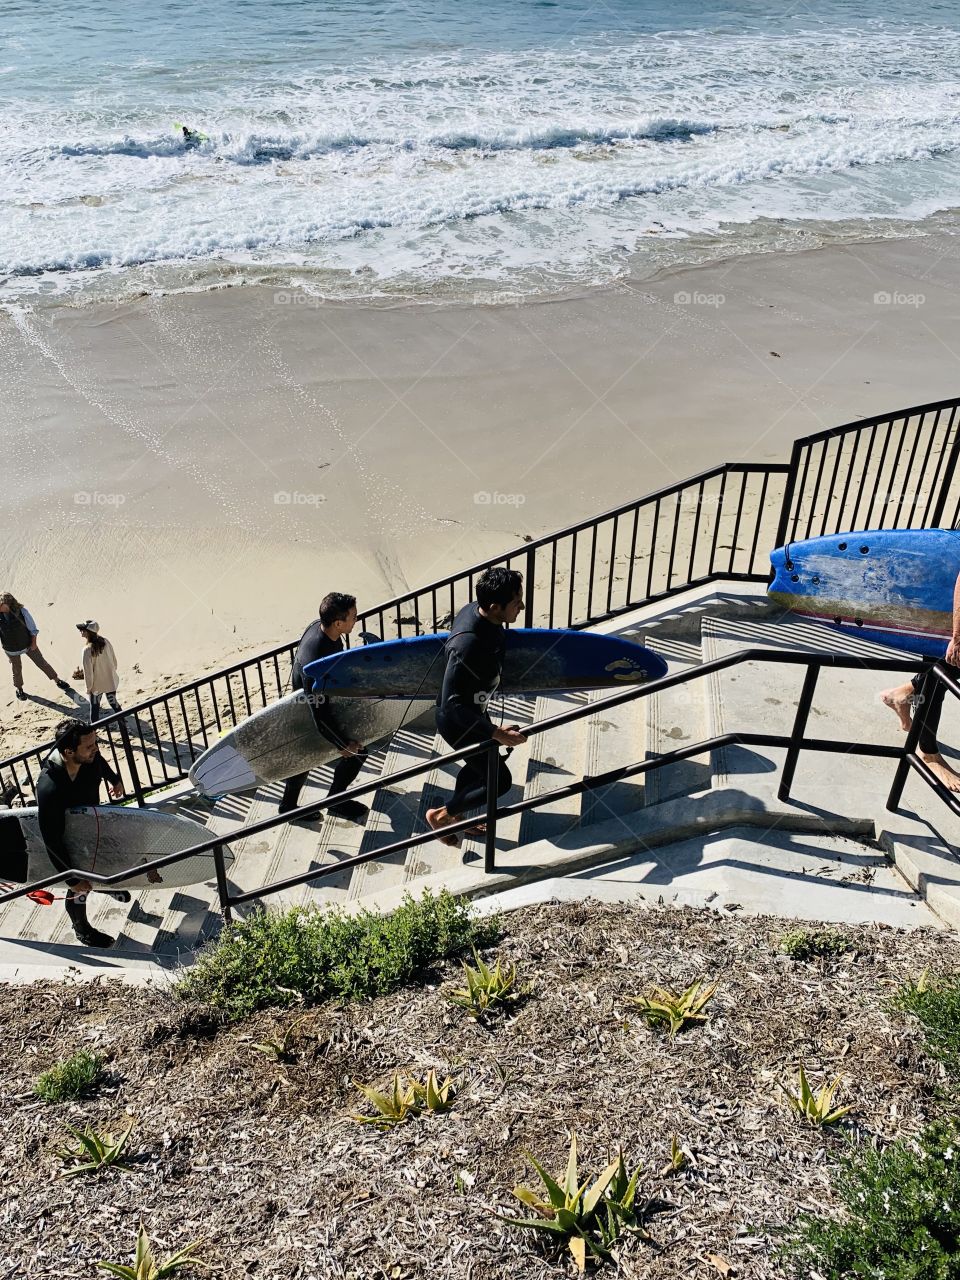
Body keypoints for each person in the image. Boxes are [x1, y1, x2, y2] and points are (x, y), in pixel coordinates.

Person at [426, 567, 528, 847]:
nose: (521, 606)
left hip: (475, 709)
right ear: (495, 607)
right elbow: (453, 704)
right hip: (457, 721)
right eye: (516, 601)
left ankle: (457, 814)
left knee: (480, 766)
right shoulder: (468, 644)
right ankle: (441, 816)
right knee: (499, 780)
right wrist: (495, 732)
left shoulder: (479, 611)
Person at [36, 718, 131, 949]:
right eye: (89, 746)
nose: (95, 749)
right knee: (79, 889)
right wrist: (71, 878)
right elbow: (51, 838)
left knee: (108, 861)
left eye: (95, 742)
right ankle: (82, 929)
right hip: (69, 841)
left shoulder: (88, 757)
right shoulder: (50, 787)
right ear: (68, 752)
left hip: (93, 824)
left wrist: (114, 779)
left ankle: (106, 886)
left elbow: (99, 761)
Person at [277, 592, 369, 822]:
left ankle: (291, 805)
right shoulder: (316, 663)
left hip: (312, 702)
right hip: (308, 711)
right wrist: (342, 744)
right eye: (353, 617)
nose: (356, 620)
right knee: (355, 752)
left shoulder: (320, 628)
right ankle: (331, 802)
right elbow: (319, 713)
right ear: (338, 623)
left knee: (305, 756)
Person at [881, 565, 960, 791]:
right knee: (938, 676)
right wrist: (958, 637)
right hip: (945, 601)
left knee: (940, 672)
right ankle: (927, 753)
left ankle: (903, 694)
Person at [0, 592, 72, 702]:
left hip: (28, 644)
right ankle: (19, 689)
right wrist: (7, 654)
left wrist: (34, 643)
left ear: (7, 604)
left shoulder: (22, 612)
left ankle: (57, 680)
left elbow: (33, 629)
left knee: (41, 663)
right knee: (16, 670)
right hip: (11, 649)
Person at [73, 620, 122, 723]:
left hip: (96, 685)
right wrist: (111, 673)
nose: (81, 631)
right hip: (110, 680)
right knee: (114, 704)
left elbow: (88, 673)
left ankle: (94, 730)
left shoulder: (87, 650)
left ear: (88, 632)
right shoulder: (106, 642)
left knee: (95, 709)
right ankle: (123, 724)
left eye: (82, 629)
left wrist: (88, 688)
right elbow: (114, 661)